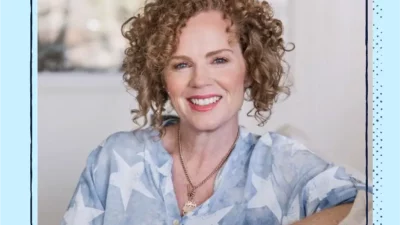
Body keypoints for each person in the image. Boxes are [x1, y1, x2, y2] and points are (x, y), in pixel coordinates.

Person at [61, 0, 372, 224]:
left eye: (219, 60)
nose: (200, 81)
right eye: (181, 64)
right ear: (161, 77)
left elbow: (375, 207)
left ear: (250, 69)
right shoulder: (115, 159)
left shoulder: (284, 165)